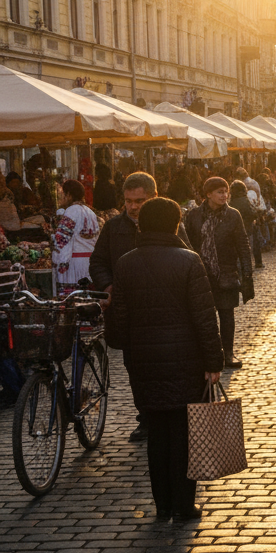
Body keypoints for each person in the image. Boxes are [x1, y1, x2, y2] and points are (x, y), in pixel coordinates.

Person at [111, 197, 223, 521]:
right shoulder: (189, 260)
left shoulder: (126, 263)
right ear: (176, 224)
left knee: (157, 432)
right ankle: (184, 505)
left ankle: (162, 506)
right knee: (184, 434)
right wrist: (214, 362)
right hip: (185, 360)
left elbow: (118, 327)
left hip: (144, 361)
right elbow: (205, 318)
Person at [89, 171, 191, 441]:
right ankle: (146, 416)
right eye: (129, 201)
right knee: (136, 366)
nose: (133, 207)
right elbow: (98, 262)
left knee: (168, 365)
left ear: (154, 197)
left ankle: (168, 414)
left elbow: (190, 259)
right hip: (128, 312)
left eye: (139, 201)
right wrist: (108, 286)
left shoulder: (171, 223)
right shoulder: (114, 227)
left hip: (165, 310)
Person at [184, 177, 253, 370]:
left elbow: (243, 244)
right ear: (208, 194)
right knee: (203, 316)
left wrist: (247, 272)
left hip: (226, 272)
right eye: (220, 192)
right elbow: (188, 244)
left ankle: (228, 353)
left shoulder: (233, 215)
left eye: (226, 191)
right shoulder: (195, 216)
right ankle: (204, 354)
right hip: (200, 273)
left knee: (226, 315)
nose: (224, 195)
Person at [52, 180, 99, 297]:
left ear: (69, 195)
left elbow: (62, 240)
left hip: (74, 265)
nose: (61, 197)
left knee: (72, 301)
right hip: (89, 264)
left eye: (63, 194)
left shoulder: (71, 211)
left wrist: (60, 262)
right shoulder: (90, 212)